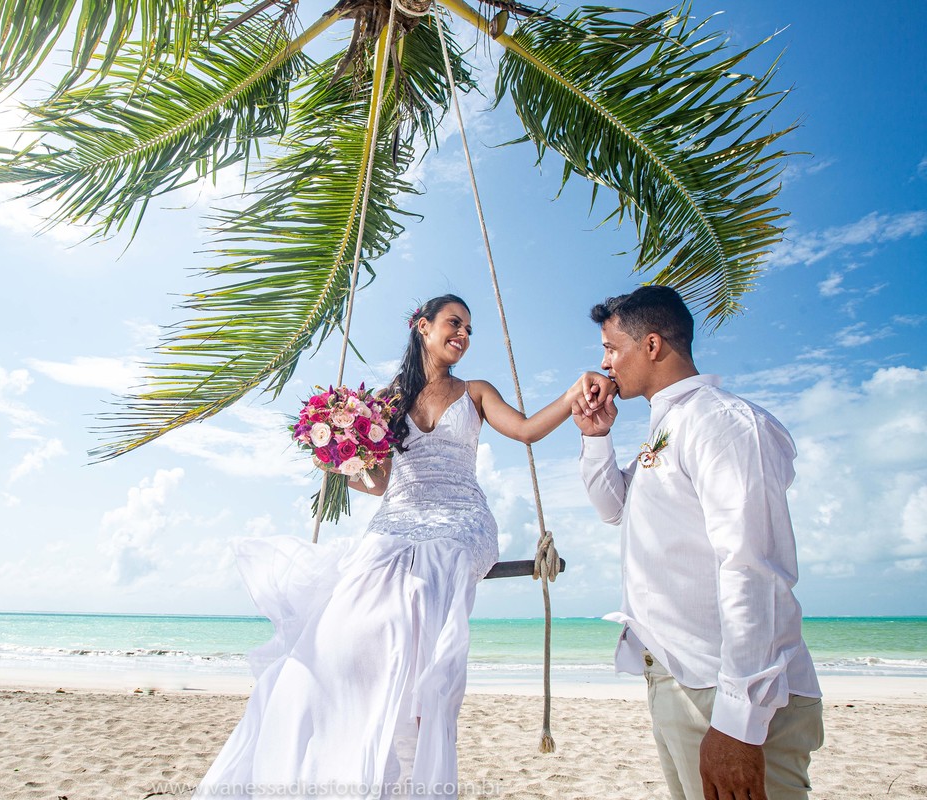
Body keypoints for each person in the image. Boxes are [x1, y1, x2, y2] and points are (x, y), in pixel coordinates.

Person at [195, 294, 613, 799]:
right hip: (398, 514)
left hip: (461, 518)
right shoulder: (386, 401)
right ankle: (344, 725)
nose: (462, 334)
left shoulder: (476, 391)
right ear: (422, 326)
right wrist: (337, 461)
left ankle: (419, 709)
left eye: (469, 328)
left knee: (428, 577)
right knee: (348, 616)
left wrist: (572, 395)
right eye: (454, 323)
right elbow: (378, 483)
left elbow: (525, 431)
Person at [570, 285, 824, 800]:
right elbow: (614, 508)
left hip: (725, 691)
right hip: (681, 683)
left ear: (653, 346)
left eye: (611, 348)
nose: (604, 364)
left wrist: (737, 723)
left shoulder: (720, 422)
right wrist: (596, 436)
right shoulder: (669, 427)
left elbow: (753, 566)